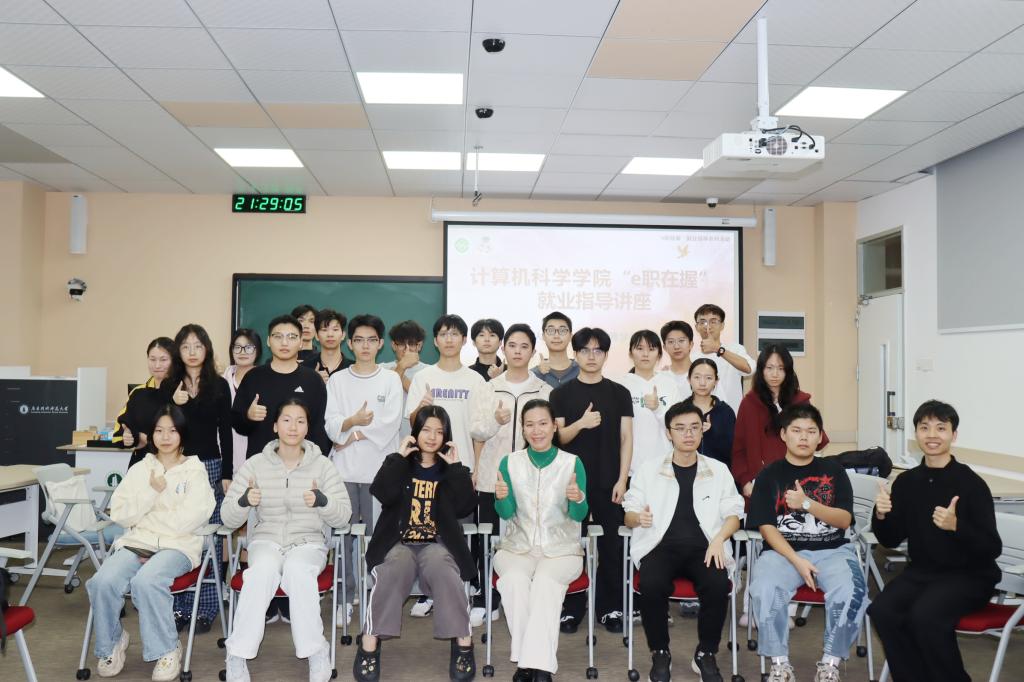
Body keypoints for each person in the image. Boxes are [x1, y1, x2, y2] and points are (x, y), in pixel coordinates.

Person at [868, 400, 1001, 682]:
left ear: (954, 435)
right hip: (923, 573)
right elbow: (890, 539)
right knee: (882, 610)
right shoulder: (907, 482)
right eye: (924, 427)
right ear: (916, 433)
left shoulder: (971, 484)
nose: (932, 435)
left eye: (941, 428)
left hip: (971, 576)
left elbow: (991, 547)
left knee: (925, 616)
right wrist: (880, 514)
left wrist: (956, 526)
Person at [221, 399, 352, 682]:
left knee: (298, 571)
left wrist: (323, 501)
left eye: (300, 421)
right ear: (275, 426)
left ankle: (316, 652)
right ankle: (237, 655)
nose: (293, 427)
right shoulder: (255, 465)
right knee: (260, 573)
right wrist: (244, 501)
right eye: (287, 420)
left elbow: (343, 516)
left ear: (307, 428)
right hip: (265, 542)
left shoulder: (323, 466)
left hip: (308, 543)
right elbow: (227, 518)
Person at [85, 404, 215, 682]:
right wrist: (150, 494)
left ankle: (167, 648)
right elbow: (120, 513)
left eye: (172, 431)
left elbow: (192, 518)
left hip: (177, 546)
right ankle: (112, 642)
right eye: (159, 431)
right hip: (137, 542)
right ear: (152, 434)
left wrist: (148, 522)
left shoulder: (195, 470)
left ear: (182, 434)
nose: (165, 437)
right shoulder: (140, 469)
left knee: (147, 581)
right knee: (102, 581)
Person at [352, 406, 478, 682]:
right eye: (426, 430)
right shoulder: (398, 463)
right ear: (415, 432)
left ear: (446, 436)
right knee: (394, 565)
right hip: (399, 543)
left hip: (437, 544)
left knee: (442, 565)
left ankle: (463, 641)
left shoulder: (452, 470)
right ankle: (370, 640)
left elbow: (465, 507)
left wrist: (456, 468)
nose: (432, 437)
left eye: (439, 432)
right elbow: (383, 493)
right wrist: (399, 458)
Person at [623, 402, 744, 682]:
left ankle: (706, 653)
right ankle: (660, 652)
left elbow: (734, 514)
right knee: (651, 584)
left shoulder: (718, 470)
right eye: (680, 428)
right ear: (669, 433)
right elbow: (629, 512)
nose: (688, 434)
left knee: (717, 584)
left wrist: (719, 539)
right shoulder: (649, 469)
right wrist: (638, 518)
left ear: (703, 430)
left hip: (706, 547)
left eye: (694, 427)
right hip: (660, 545)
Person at [746, 403, 867, 682]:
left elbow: (844, 520)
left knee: (852, 591)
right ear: (783, 434)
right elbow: (766, 527)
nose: (804, 437)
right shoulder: (769, 475)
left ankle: (830, 664)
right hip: (783, 553)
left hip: (833, 551)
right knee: (764, 588)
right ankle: (779, 664)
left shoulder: (834, 471)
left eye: (811, 431)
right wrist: (796, 560)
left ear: (820, 436)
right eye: (797, 430)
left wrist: (807, 504)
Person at [493, 399, 587, 681]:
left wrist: (577, 499)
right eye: (530, 425)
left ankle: (533, 666)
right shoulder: (510, 462)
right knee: (514, 582)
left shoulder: (572, 463)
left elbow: (580, 515)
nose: (537, 431)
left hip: (561, 549)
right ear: (522, 429)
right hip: (517, 547)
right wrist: (501, 498)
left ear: (554, 426)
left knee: (545, 584)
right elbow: (506, 513)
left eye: (543, 423)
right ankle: (533, 663)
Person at [549, 327, 633, 634]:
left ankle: (610, 608)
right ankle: (572, 608)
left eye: (598, 351)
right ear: (576, 354)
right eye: (585, 350)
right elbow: (558, 437)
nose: (591, 356)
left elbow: (626, 438)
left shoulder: (619, 393)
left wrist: (622, 479)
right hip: (571, 484)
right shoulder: (560, 394)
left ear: (606, 355)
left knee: (612, 546)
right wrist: (582, 423)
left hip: (610, 482)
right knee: (572, 547)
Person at [323, 314, 403, 625]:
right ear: (350, 343)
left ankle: (376, 597)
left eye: (371, 340)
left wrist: (353, 433)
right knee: (343, 537)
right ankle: (345, 598)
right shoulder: (338, 380)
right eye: (359, 340)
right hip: (343, 472)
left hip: (378, 474)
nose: (365, 346)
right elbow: (331, 423)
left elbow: (389, 423)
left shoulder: (390, 379)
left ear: (381, 344)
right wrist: (351, 422)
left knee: (377, 538)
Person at [473, 324, 552, 625]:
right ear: (503, 349)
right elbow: (476, 430)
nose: (518, 351)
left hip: (532, 482)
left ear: (533, 351)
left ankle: (525, 597)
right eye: (513, 346)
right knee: (488, 539)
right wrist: (495, 420)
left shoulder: (544, 390)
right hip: (492, 478)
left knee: (525, 543)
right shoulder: (488, 388)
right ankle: (486, 597)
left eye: (524, 346)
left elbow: (549, 436)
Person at [162, 323, 233, 634]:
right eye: (186, 346)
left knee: (209, 538)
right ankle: (179, 606)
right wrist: (174, 405)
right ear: (178, 351)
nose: (192, 352)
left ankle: (206, 607)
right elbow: (163, 430)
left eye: (198, 346)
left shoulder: (219, 385)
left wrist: (227, 472)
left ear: (207, 350)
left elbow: (225, 432)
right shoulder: (169, 386)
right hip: (177, 466)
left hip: (209, 466)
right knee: (178, 536)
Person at [732, 345, 829, 500]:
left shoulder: (800, 401)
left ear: (788, 371)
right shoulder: (749, 403)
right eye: (769, 368)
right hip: (759, 485)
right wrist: (745, 482)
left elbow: (818, 439)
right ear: (761, 370)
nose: (775, 374)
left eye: (781, 368)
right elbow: (738, 450)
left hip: (797, 484)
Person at [231, 314, 330, 459]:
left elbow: (319, 430)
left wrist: (317, 463)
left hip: (303, 465)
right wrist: (248, 416)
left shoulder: (313, 380)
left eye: (291, 337)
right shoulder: (253, 377)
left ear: (301, 342)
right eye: (278, 337)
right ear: (268, 341)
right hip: (261, 463)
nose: (284, 343)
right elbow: (237, 423)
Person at [617, 329, 682, 477]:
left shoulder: (669, 384)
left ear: (659, 354)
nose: (645, 354)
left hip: (665, 466)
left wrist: (658, 408)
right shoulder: (621, 386)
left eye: (651, 349)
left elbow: (678, 425)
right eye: (640, 349)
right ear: (630, 353)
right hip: (630, 469)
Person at [114, 337, 174, 465]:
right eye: (152, 359)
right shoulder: (137, 393)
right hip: (141, 463)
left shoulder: (180, 393)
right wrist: (127, 436)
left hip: (173, 463)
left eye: (163, 360)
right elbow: (121, 428)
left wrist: (146, 439)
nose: (157, 365)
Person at [690, 304, 753, 411]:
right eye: (703, 322)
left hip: (732, 414)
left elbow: (749, 369)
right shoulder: (691, 357)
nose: (708, 326)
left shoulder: (735, 349)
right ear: (696, 327)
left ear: (722, 325)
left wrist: (718, 349)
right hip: (699, 415)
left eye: (713, 321)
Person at [682, 359, 736, 467]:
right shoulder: (681, 411)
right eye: (697, 377)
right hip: (687, 471)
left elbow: (733, 450)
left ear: (716, 381)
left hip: (719, 473)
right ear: (689, 379)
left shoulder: (725, 412)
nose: (702, 383)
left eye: (708, 378)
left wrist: (711, 433)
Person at [381, 320, 429, 441]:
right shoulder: (382, 369)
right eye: (402, 344)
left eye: (411, 344)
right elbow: (384, 397)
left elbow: (424, 402)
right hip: (387, 440)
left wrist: (400, 374)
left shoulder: (430, 371)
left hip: (420, 440)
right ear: (393, 345)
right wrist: (401, 367)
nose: (406, 350)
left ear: (419, 345)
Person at [223, 328, 262, 477]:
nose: (242, 352)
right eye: (237, 347)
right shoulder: (222, 381)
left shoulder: (265, 380)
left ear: (258, 350)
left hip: (257, 452)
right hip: (226, 452)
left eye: (249, 347)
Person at [532, 311, 580, 389]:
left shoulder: (581, 371)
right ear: (543, 336)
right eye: (551, 331)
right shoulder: (533, 374)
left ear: (571, 336)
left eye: (562, 331)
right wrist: (539, 374)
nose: (556, 335)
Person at [303, 308, 353, 381]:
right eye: (324, 330)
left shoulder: (353, 369)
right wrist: (313, 381)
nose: (330, 334)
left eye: (335, 329)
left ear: (343, 335)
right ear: (316, 336)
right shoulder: (304, 368)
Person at [657, 320, 695, 401]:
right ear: (665, 347)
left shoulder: (704, 374)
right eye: (671, 342)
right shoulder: (659, 377)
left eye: (681, 341)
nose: (676, 346)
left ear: (691, 344)